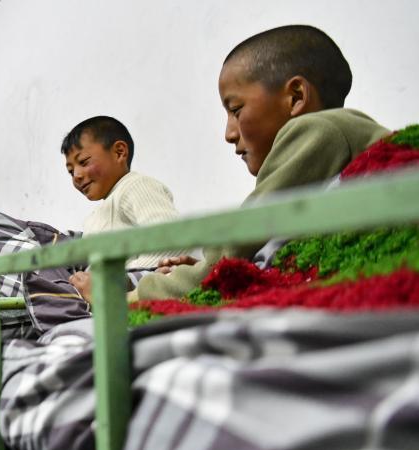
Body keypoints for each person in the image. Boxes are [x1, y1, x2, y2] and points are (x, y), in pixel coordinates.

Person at [127, 24, 390, 302]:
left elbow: (236, 242)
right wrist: (210, 268)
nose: (229, 134)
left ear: (296, 97)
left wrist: (135, 296)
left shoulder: (319, 129)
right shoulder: (333, 153)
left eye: (236, 110)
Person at [61, 116, 191, 298]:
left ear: (119, 152)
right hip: (105, 300)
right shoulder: (96, 216)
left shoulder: (135, 185)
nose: (76, 175)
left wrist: (127, 281)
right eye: (70, 171)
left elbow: (171, 236)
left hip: (130, 295)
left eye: (83, 162)